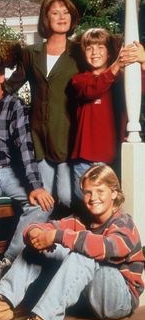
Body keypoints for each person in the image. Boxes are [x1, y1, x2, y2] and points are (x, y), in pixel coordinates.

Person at [0, 164, 144, 320]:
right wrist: (36, 234)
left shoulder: (124, 223)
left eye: (100, 191)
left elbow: (107, 248)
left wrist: (57, 236)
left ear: (114, 193)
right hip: (90, 297)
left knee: (83, 251)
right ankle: (1, 305)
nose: (93, 198)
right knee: (40, 246)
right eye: (88, 192)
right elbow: (48, 226)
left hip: (119, 301)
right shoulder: (82, 219)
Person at [0, 54, 54, 302]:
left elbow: (26, 147)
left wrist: (35, 186)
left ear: (2, 77)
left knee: (41, 204)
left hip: (10, 171)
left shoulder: (13, 105)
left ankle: (6, 261)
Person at [4, 0, 79, 209]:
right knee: (43, 202)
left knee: (66, 197)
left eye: (66, 12)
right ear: (45, 18)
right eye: (55, 12)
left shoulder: (80, 52)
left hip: (68, 137)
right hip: (38, 138)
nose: (61, 17)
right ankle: (43, 240)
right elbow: (10, 87)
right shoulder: (31, 54)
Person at [68, 28, 128, 202]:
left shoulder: (121, 79)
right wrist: (116, 66)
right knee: (83, 206)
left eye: (100, 47)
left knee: (109, 208)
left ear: (109, 52)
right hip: (83, 161)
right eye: (89, 48)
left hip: (110, 159)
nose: (95, 52)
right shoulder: (79, 80)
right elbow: (92, 90)